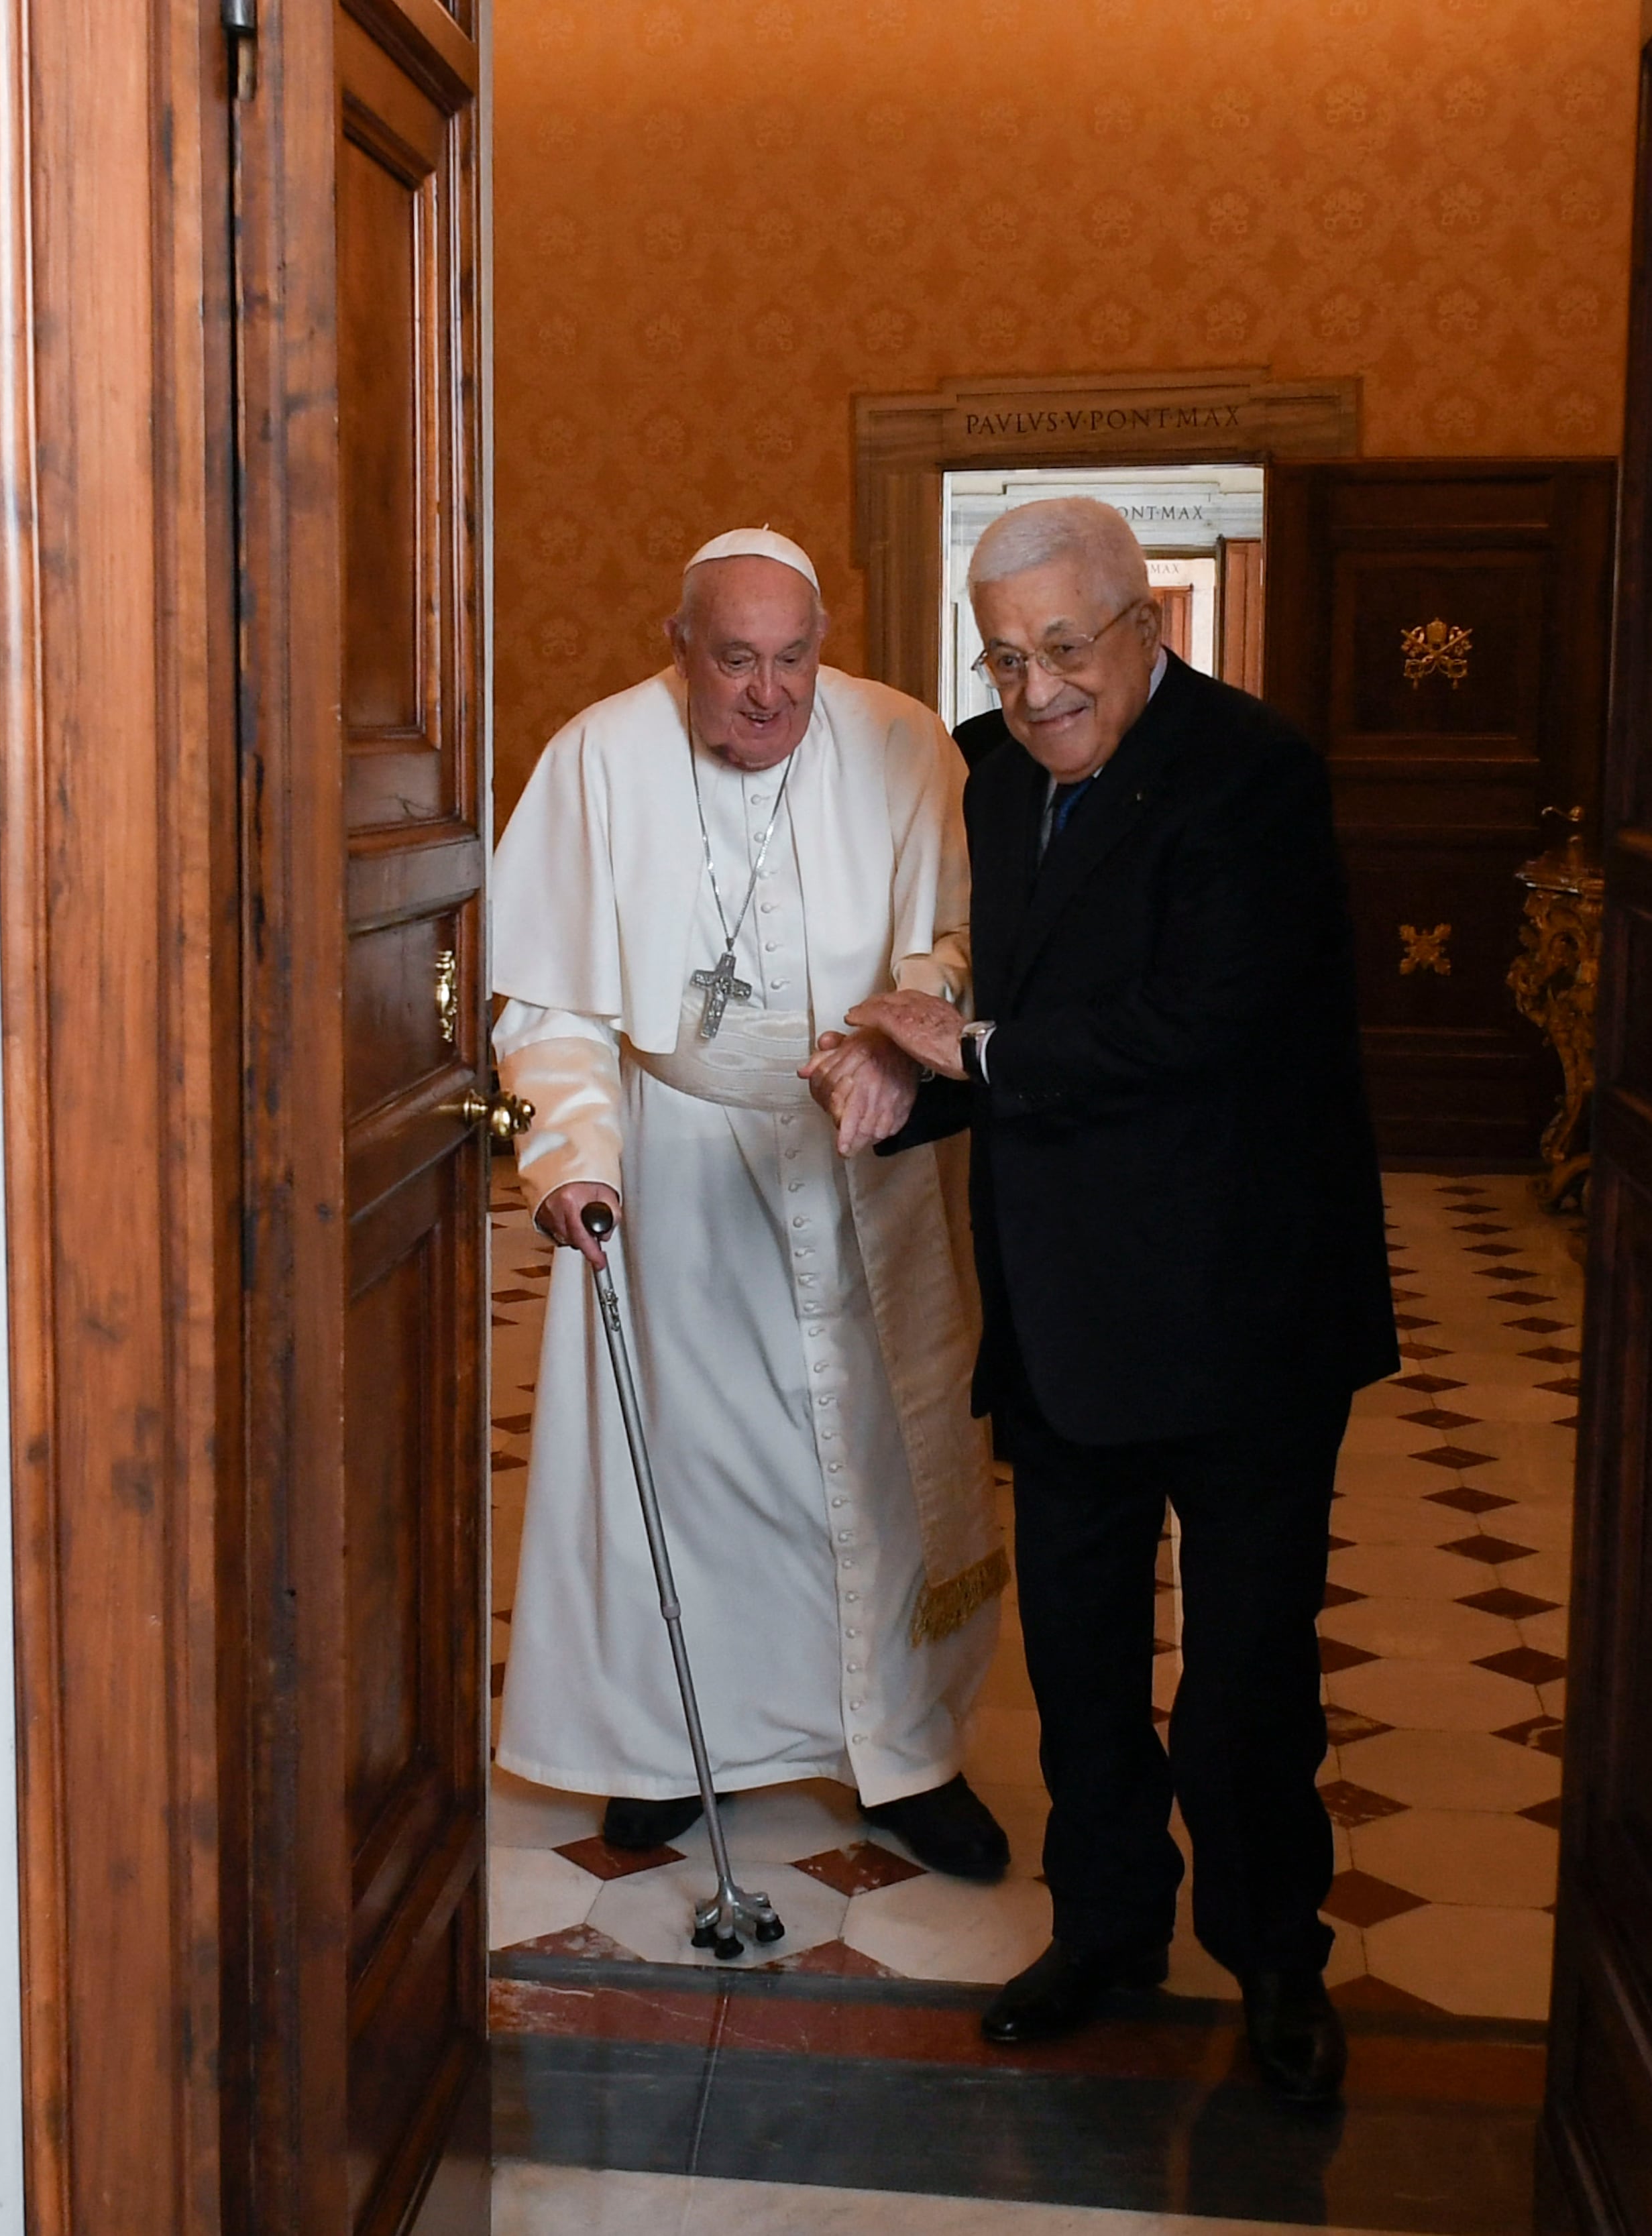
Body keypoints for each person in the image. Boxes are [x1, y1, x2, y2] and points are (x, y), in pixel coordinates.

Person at [816, 497, 1396, 2101]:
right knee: (1078, 1662)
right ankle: (1107, 1929)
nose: (1038, 685)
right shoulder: (998, 787)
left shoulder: (1254, 774)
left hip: (1246, 1313)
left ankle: (1279, 1955)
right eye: (1006, 655)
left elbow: (1197, 1026)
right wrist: (892, 1083)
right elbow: (1005, 1031)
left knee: (1245, 1676)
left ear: (1149, 624)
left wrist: (968, 1058)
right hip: (1068, 1308)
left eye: (1067, 646)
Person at [489, 527, 1011, 1880]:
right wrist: (577, 1155)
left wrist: (897, 1036)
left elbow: (954, 938)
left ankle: (899, 1752)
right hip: (678, 1143)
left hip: (863, 1142)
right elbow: (549, 998)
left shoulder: (904, 743)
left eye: (792, 660)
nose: (768, 693)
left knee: (876, 1462)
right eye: (735, 661)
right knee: (689, 1462)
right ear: (682, 649)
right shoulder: (597, 757)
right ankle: (676, 1746)